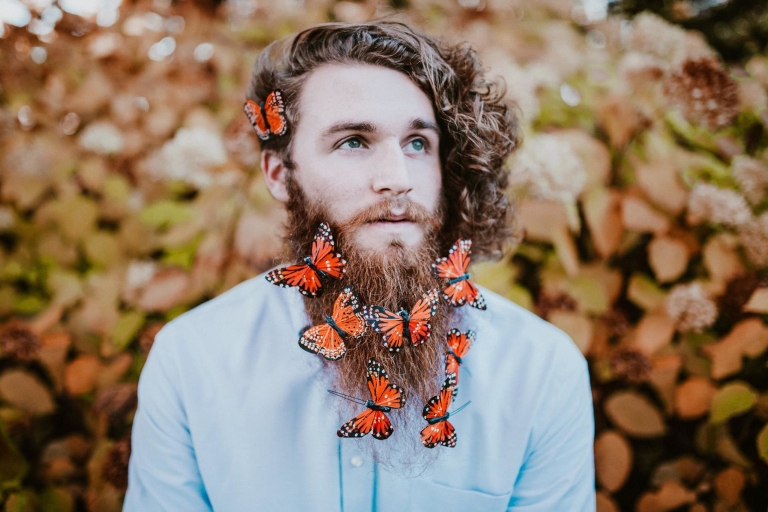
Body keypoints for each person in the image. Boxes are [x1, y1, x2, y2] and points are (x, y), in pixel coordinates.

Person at [123, 19, 596, 512]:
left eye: (418, 144)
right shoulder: (192, 360)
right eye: (353, 141)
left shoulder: (540, 370)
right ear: (281, 175)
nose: (397, 179)